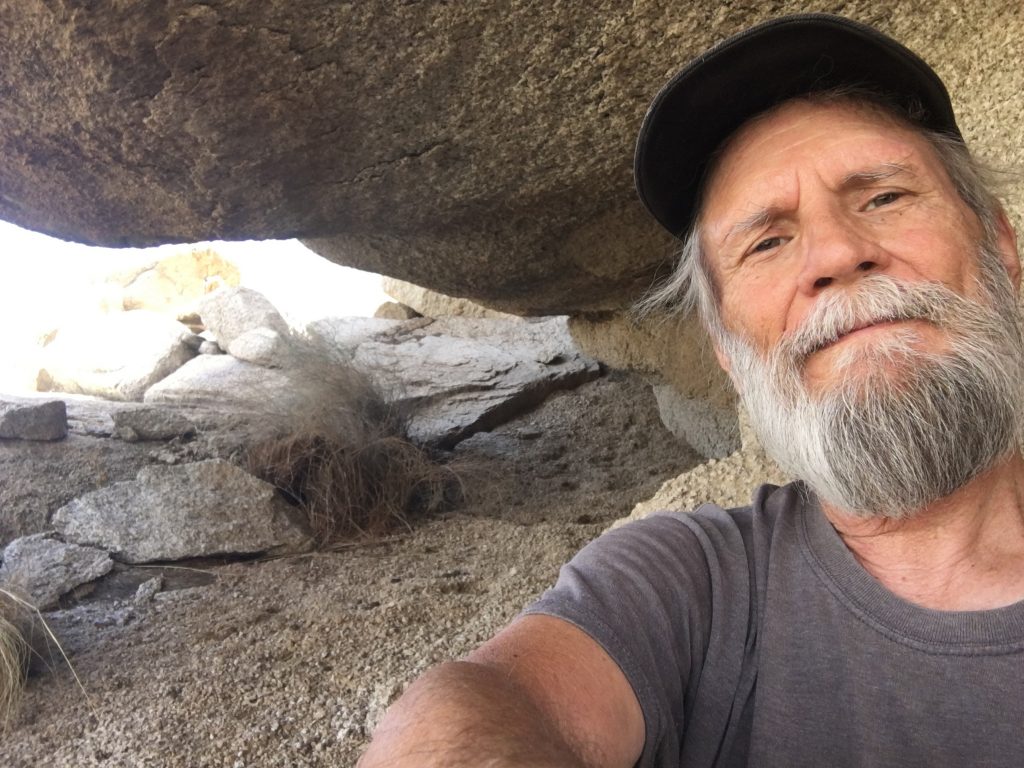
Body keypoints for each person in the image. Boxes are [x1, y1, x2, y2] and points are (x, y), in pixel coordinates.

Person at [359, 13, 1024, 767]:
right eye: (767, 242)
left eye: (884, 198)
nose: (837, 253)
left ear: (999, 248)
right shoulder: (693, 582)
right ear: (729, 351)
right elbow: (484, 698)